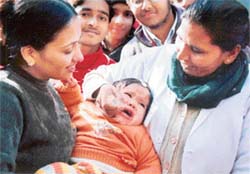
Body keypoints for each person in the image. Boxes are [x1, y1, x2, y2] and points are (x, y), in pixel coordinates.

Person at [82, 0, 250, 173]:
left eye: (196, 50)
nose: (181, 55)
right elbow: (97, 76)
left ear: (231, 53)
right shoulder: (160, 58)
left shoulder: (246, 93)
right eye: (180, 38)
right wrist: (105, 92)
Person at [0, 0, 83, 173]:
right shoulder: (6, 95)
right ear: (30, 53)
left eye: (78, 44)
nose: (80, 57)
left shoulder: (47, 86)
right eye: (68, 50)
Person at [35, 78, 161, 174]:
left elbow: (149, 163)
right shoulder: (88, 108)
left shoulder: (139, 133)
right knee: (54, 170)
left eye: (141, 105)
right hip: (76, 167)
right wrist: (69, 88)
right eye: (128, 95)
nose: (133, 103)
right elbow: (70, 104)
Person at [72, 0, 115, 91]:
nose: (93, 23)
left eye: (102, 18)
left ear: (108, 26)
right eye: (85, 14)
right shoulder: (47, 59)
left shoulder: (113, 71)